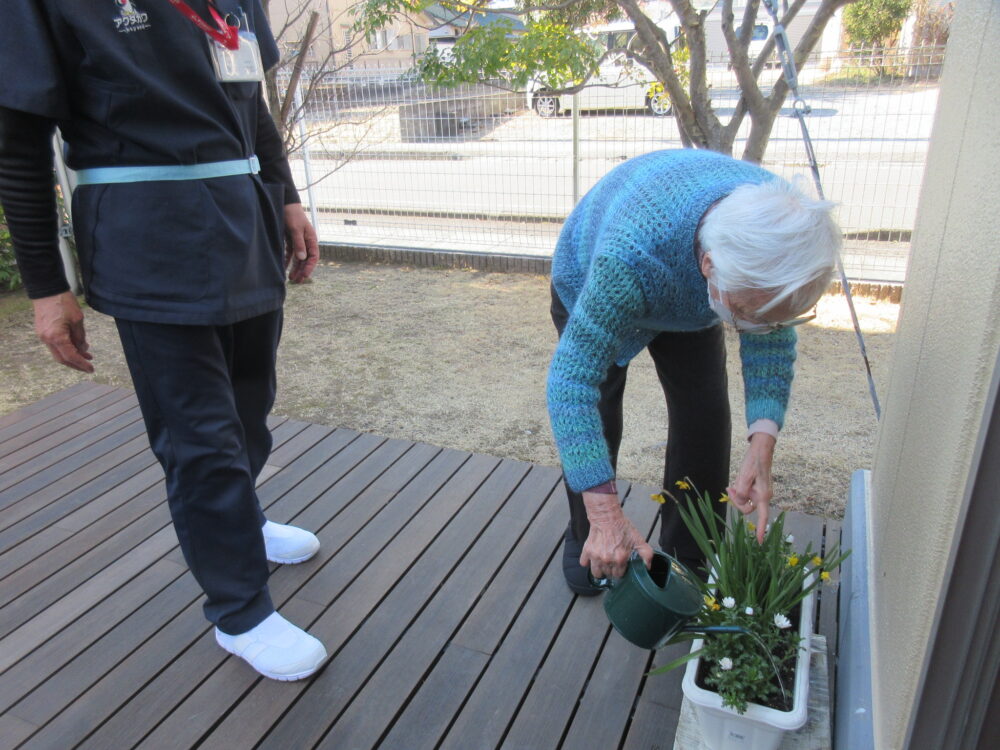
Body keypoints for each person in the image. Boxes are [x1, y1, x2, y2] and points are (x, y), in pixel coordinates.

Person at [0, 0, 326, 680]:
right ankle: (241, 612)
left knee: (250, 406)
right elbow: (18, 142)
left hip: (243, 221)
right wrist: (45, 285)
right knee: (200, 437)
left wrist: (286, 194)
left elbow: (250, 100)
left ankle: (243, 523)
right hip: (146, 235)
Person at [547, 148, 840, 592]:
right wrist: (606, 514)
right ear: (709, 266)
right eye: (746, 315)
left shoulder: (783, 227)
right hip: (597, 270)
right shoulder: (630, 256)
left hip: (692, 294)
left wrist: (762, 442)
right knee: (596, 410)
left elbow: (772, 328)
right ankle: (590, 533)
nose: (755, 329)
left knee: (704, 413)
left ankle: (691, 554)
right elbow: (570, 385)